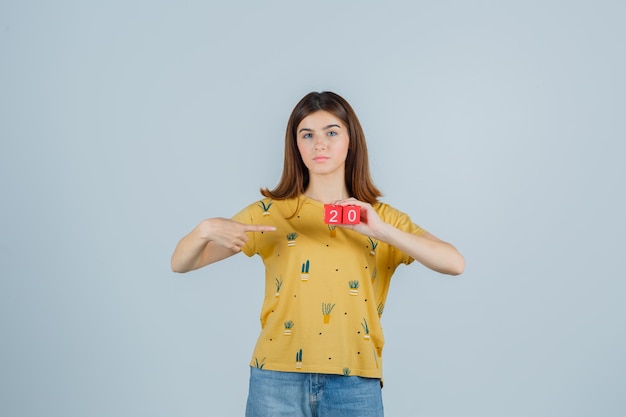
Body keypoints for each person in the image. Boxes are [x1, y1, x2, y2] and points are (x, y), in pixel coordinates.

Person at [170, 91, 464, 416]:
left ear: (351, 141)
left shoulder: (380, 219)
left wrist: (381, 231)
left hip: (355, 382)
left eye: (331, 132)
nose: (318, 144)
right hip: (276, 379)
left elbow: (454, 262)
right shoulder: (271, 214)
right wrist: (204, 230)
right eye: (307, 134)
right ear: (295, 144)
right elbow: (182, 263)